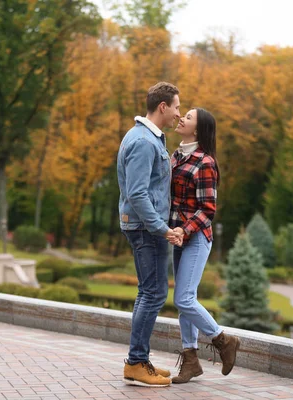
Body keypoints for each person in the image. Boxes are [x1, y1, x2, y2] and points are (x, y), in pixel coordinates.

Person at [117, 82, 182, 387]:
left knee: (149, 292)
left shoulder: (146, 137)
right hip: (146, 228)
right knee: (153, 293)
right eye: (177, 107)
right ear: (163, 107)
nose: (179, 113)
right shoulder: (143, 141)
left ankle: (139, 359)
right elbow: (138, 192)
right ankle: (136, 362)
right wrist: (162, 229)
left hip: (144, 226)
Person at [169, 108, 240, 384]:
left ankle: (224, 341)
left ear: (197, 130)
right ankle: (190, 360)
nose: (181, 118)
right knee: (185, 302)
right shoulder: (176, 156)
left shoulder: (205, 162)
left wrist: (183, 230)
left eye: (187, 117)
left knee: (184, 298)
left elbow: (207, 209)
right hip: (178, 235)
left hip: (196, 238)